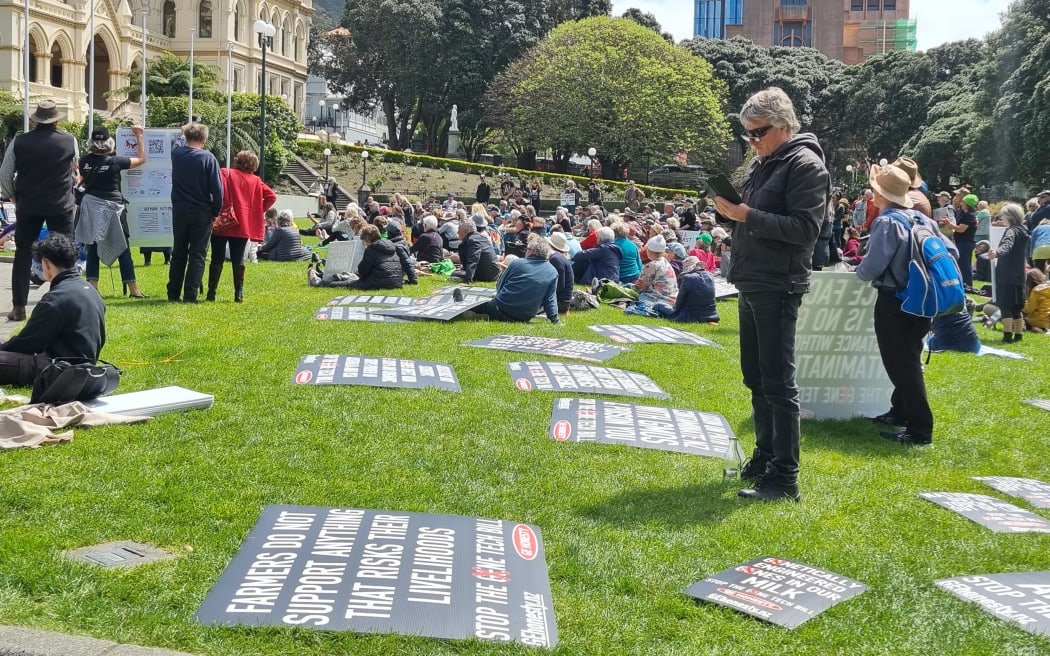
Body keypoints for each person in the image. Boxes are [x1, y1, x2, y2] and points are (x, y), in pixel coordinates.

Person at [713, 87, 828, 502]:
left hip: (779, 282)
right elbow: (755, 216)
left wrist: (748, 215)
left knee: (778, 382)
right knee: (757, 377)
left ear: (783, 126)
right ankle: (765, 457)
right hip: (753, 278)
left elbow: (805, 229)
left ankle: (785, 478)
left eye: (758, 132)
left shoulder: (806, 165)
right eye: (747, 133)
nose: (752, 140)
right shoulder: (764, 163)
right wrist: (731, 214)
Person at [856, 164, 957, 447]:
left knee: (902, 364)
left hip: (895, 299)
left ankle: (920, 429)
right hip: (923, 298)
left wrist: (859, 271)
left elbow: (872, 267)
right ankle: (899, 411)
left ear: (880, 194)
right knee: (909, 356)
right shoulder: (923, 219)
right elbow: (951, 251)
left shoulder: (887, 222)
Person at [0, 100, 79, 321]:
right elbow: (74, 168)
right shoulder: (69, 141)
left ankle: (19, 306)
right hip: (61, 204)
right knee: (64, 254)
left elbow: (5, 174)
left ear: (36, 120)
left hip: (29, 204)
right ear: (56, 121)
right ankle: (64, 303)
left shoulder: (19, 142)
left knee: (23, 253)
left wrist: (13, 195)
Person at [0, 234, 105, 386]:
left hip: (60, 369)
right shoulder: (89, 289)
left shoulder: (55, 299)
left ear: (46, 263)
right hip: (84, 363)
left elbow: (26, 344)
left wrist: (4, 348)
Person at [74, 125, 147, 299]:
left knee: (92, 247)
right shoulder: (116, 161)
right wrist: (139, 136)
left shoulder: (84, 161)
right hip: (114, 208)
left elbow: (82, 181)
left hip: (91, 208)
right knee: (123, 248)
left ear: (91, 142)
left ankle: (93, 288)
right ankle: (134, 289)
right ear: (110, 142)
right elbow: (141, 159)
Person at [209, 150, 276, 302]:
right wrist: (257, 210)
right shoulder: (256, 181)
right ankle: (238, 294)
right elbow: (271, 196)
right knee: (239, 259)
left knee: (217, 257)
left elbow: (217, 191)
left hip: (223, 221)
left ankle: (211, 293)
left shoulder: (225, 173)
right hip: (243, 225)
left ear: (238, 160)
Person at [167, 122, 222, 303]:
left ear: (187, 137)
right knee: (197, 255)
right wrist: (215, 211)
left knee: (178, 253)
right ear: (204, 140)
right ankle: (190, 295)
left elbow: (177, 144)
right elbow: (217, 190)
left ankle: (173, 293)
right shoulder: (208, 158)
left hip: (180, 210)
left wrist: (182, 133)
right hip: (201, 211)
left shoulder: (177, 154)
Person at [473, 233, 559, 324]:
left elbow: (499, 286)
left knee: (478, 306)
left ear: (531, 251)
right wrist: (555, 321)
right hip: (524, 317)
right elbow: (550, 300)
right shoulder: (553, 272)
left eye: (527, 249)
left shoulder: (517, 263)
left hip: (499, 309)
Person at [986, 203, 1031, 343]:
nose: (1001, 217)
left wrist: (997, 252)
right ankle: (1018, 335)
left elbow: (1007, 244)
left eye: (1003, 215)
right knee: (1017, 307)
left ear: (1010, 216)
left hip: (1007, 274)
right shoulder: (1024, 230)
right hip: (1020, 275)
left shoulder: (1011, 231)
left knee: (1005, 305)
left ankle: (1007, 336)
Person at [349, 225, 417, 290]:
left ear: (367, 239)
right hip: (396, 281)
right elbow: (408, 265)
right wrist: (413, 280)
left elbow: (363, 271)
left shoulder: (371, 249)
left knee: (347, 283)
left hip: (378, 282)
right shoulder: (392, 246)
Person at [665, 256, 719, 324]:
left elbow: (680, 299)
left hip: (692, 315)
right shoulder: (710, 275)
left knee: (660, 305)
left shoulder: (688, 277)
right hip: (711, 314)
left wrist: (676, 310)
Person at [453, 217, 500, 283]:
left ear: (465, 231)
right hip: (494, 272)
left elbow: (473, 259)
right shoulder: (481, 237)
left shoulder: (472, 240)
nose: (457, 232)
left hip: (487, 274)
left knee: (454, 274)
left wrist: (468, 278)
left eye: (459, 230)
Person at [547, 232, 575, 315]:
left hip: (560, 302)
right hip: (562, 301)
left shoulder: (555, 259)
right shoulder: (559, 257)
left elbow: (559, 286)